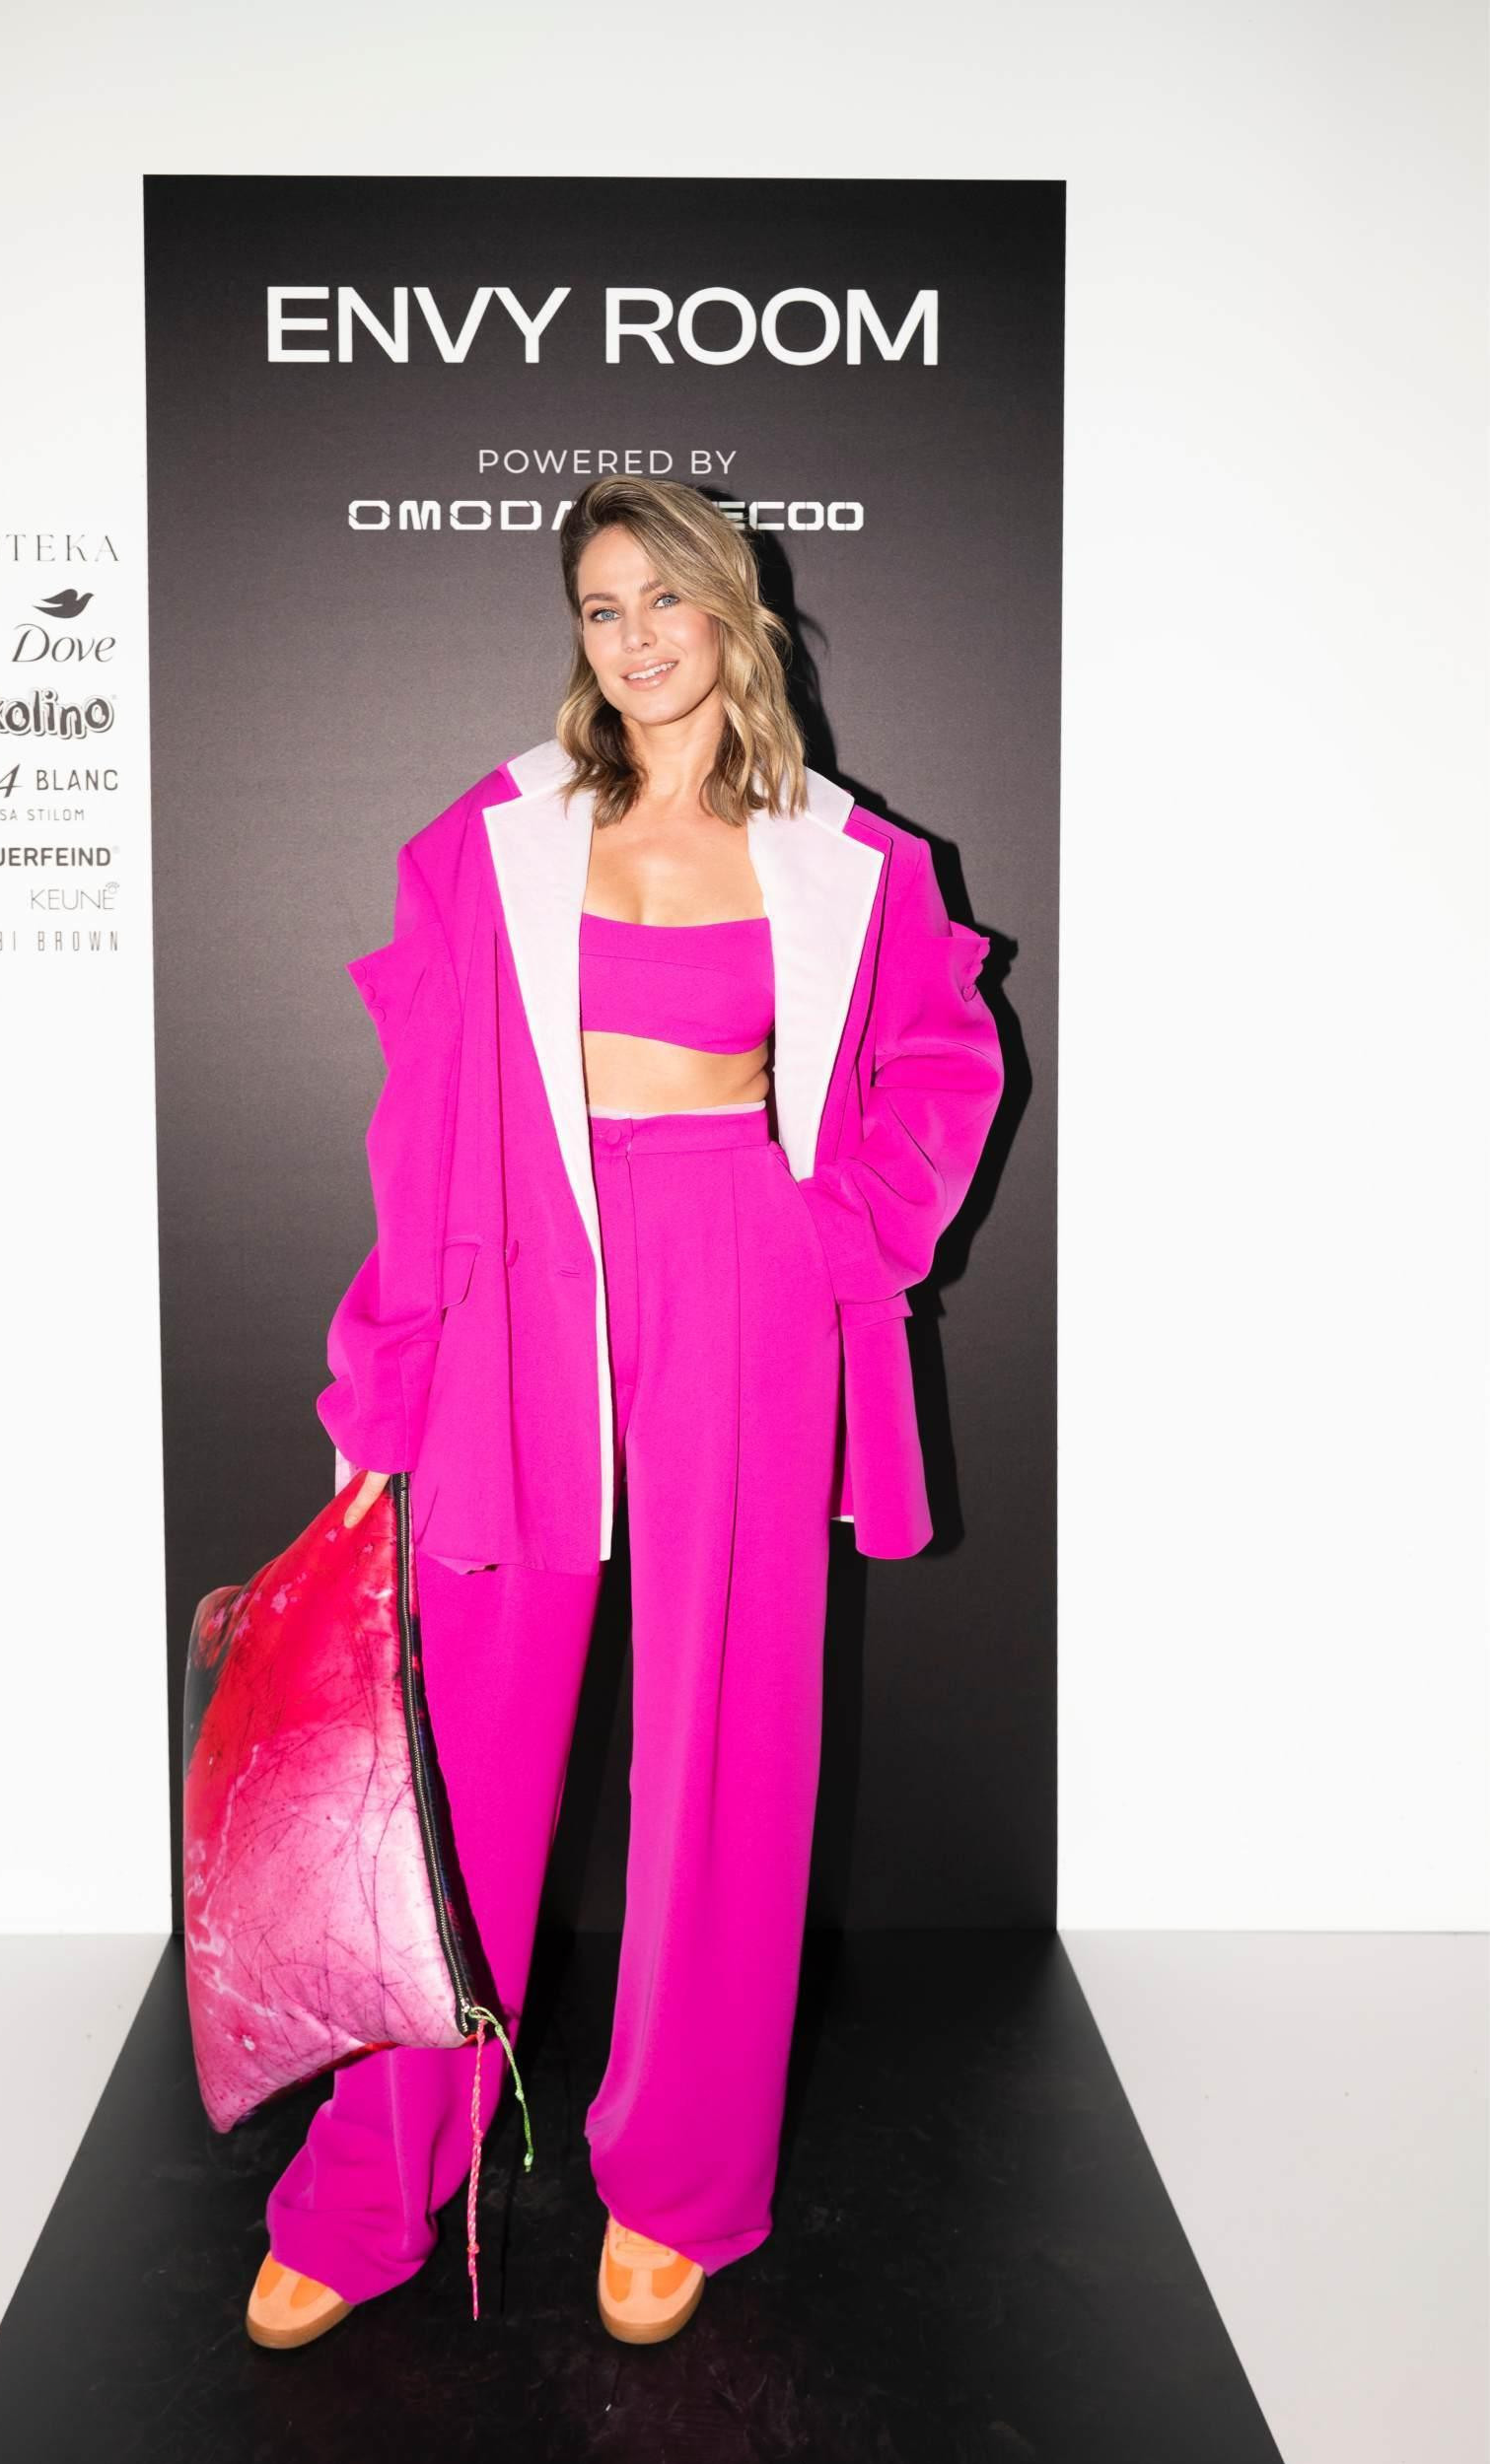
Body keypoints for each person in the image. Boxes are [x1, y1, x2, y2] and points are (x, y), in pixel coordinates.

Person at [246, 475, 1006, 2351]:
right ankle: (377, 2183)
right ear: (575, 635)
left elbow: (940, 1059)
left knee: (726, 1747)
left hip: (743, 1283)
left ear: (733, 612)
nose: (637, 637)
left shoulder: (849, 855)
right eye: (601, 607)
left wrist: (837, 1233)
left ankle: (677, 2178)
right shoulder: (493, 838)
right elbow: (416, 1133)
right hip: (522, 1284)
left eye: (666, 598)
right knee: (458, 1765)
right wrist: (384, 1377)